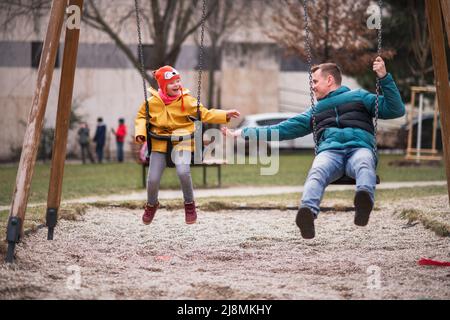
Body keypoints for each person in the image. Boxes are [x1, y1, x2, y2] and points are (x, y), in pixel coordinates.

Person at [223, 57, 405, 239]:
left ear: (330, 80)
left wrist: (384, 77)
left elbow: (395, 109)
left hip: (359, 148)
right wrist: (244, 132)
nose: (313, 86)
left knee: (364, 163)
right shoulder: (316, 111)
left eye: (315, 81)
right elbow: (282, 129)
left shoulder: (360, 97)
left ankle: (363, 203)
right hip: (330, 152)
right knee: (317, 170)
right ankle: (307, 213)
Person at [135, 65, 240, 225]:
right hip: (159, 143)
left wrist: (224, 114)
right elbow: (142, 117)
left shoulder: (188, 101)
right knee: (153, 179)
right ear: (163, 86)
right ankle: (151, 204)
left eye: (178, 81)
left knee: (183, 172)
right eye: (172, 83)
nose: (177, 85)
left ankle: (189, 204)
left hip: (182, 143)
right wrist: (140, 132)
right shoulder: (151, 103)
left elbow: (205, 113)